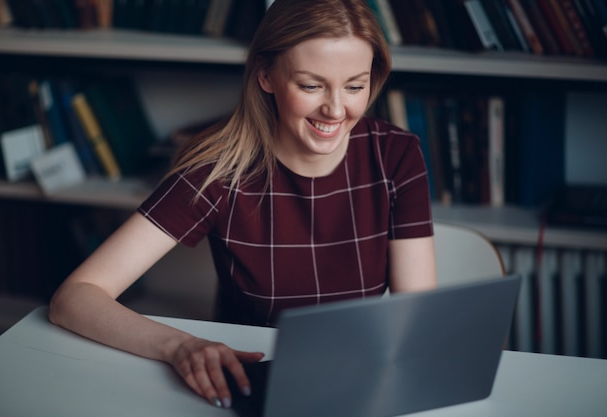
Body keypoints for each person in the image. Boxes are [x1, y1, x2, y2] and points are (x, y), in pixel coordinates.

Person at [48, 0, 437, 410]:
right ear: (266, 76)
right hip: (258, 383)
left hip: (361, 379)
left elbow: (415, 320)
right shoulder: (217, 170)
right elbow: (74, 297)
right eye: (310, 86)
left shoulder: (397, 153)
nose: (336, 110)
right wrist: (180, 347)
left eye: (355, 86)